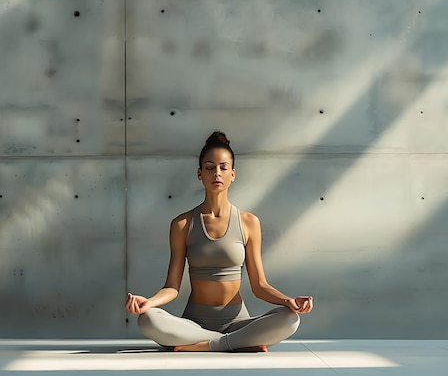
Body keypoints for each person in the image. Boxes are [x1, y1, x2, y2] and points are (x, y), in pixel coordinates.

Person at [125, 131, 313, 352]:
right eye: (209, 167)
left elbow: (260, 286)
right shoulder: (182, 224)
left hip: (237, 322)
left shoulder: (249, 222)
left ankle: (204, 346)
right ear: (199, 174)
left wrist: (288, 301)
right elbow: (172, 287)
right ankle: (236, 342)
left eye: (223, 167)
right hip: (194, 324)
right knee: (147, 319)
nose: (217, 173)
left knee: (290, 319)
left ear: (232, 174)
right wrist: (149, 302)